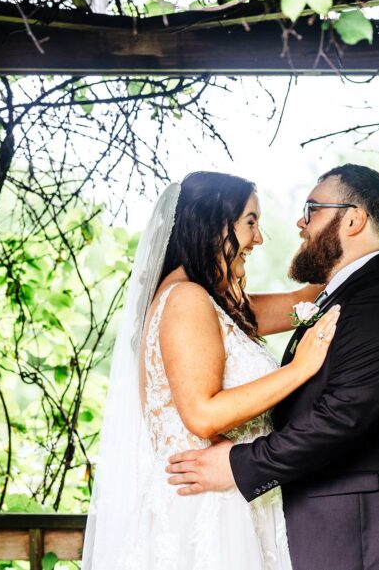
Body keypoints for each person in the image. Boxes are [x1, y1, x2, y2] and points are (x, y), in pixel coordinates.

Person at [167, 164, 379, 570]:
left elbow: (341, 418)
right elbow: (269, 308)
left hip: (377, 541)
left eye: (312, 210)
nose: (299, 223)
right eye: (250, 221)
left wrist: (240, 465)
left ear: (354, 219)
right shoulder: (351, 294)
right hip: (334, 537)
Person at [81, 171, 340, 570]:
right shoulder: (186, 298)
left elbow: (302, 300)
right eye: (250, 222)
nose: (258, 239)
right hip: (205, 512)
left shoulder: (214, 303)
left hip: (231, 498)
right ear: (215, 226)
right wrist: (301, 368)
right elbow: (202, 414)